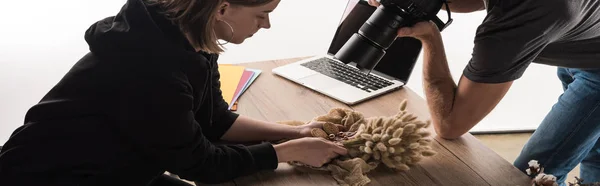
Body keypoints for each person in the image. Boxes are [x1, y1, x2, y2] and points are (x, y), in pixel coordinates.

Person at [0, 0, 348, 185]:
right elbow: (200, 164)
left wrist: (295, 132)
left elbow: (213, 121)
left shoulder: (195, 40)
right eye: (262, 14)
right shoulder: (150, 69)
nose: (266, 25)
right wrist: (286, 153)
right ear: (222, 9)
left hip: (116, 170)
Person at [367, 0, 600, 185]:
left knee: (533, 174)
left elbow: (450, 124)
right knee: (591, 149)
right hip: (583, 44)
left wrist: (430, 37)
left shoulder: (512, 25)